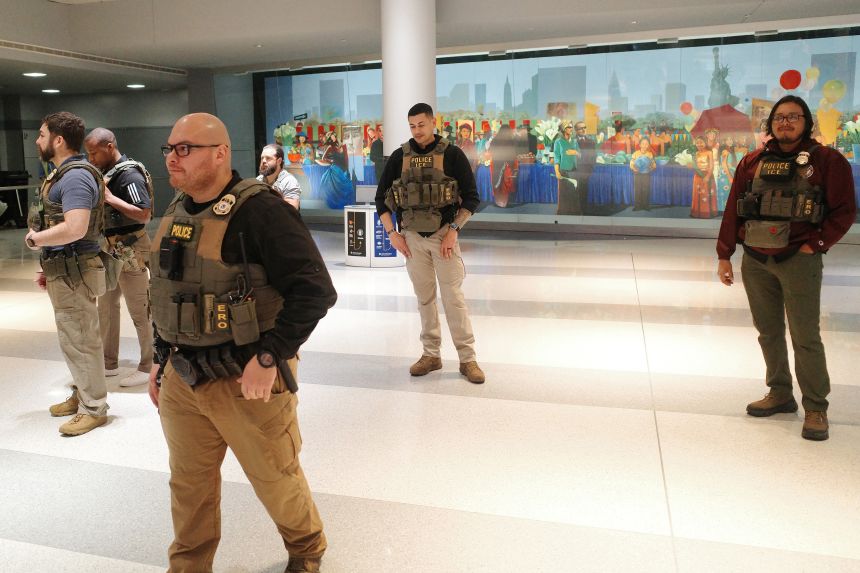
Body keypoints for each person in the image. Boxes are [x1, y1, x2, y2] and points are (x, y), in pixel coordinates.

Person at [149, 113, 337, 571]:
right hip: (182, 377)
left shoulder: (261, 211)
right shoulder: (177, 209)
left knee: (275, 477)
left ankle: (306, 547)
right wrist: (160, 359)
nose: (174, 158)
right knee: (188, 486)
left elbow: (315, 290)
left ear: (220, 153)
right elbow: (167, 291)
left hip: (246, 380)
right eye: (170, 149)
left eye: (185, 148)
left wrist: (270, 355)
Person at [716, 95, 856, 441]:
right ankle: (780, 393)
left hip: (799, 259)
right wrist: (724, 253)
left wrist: (817, 244)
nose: (786, 123)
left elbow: (844, 210)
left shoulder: (826, 160)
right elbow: (735, 208)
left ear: (806, 122)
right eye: (779, 118)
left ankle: (816, 408)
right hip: (756, 259)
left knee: (805, 336)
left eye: (794, 117)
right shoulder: (752, 161)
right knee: (768, 332)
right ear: (771, 124)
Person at [375, 102, 485, 384]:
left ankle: (467, 359)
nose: (417, 131)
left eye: (421, 125)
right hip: (412, 239)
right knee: (424, 300)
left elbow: (472, 198)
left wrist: (454, 230)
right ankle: (431, 354)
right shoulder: (400, 156)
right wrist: (392, 234)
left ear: (433, 123)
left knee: (453, 299)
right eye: (412, 126)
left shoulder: (452, 154)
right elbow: (381, 199)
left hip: (442, 237)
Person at [25, 111, 109, 436]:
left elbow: (76, 227)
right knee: (74, 339)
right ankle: (83, 395)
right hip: (66, 268)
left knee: (81, 339)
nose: (37, 140)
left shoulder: (73, 177)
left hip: (75, 271)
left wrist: (37, 240)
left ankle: (94, 408)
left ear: (59, 140)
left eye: (42, 134)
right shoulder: (62, 174)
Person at [83, 127, 154, 387]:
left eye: (94, 152)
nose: (91, 158)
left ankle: (148, 364)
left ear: (109, 146)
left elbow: (144, 213)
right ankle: (109, 362)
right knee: (107, 308)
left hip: (131, 248)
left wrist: (111, 198)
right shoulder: (106, 173)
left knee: (140, 310)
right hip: (110, 249)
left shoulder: (128, 175)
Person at [257, 143, 302, 210]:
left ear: (279, 161)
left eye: (268, 158)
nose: (263, 161)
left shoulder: (289, 181)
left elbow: (291, 212)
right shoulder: (258, 180)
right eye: (262, 158)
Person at [316, 130, 354, 209]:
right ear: (330, 139)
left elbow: (346, 159)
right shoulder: (330, 147)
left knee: (347, 187)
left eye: (333, 135)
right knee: (334, 188)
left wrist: (348, 169)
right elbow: (323, 158)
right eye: (331, 136)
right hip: (335, 169)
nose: (333, 137)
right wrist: (331, 161)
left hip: (343, 169)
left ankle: (346, 205)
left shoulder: (344, 146)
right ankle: (335, 203)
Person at [553, 121, 581, 214]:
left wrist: (576, 153)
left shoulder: (574, 141)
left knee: (574, 194)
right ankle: (563, 214)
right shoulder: (558, 142)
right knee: (564, 195)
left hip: (574, 171)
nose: (571, 128)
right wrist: (557, 172)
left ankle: (574, 214)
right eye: (569, 127)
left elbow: (580, 155)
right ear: (563, 129)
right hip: (563, 171)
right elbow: (556, 158)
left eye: (571, 127)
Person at [690, 136, 717, 218]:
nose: (699, 144)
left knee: (706, 194)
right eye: (697, 143)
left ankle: (707, 213)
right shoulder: (695, 154)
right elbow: (695, 167)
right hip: (697, 176)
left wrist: (708, 176)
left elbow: (712, 166)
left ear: (705, 143)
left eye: (701, 142)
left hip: (707, 175)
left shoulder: (709, 152)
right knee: (698, 194)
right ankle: (697, 213)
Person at [573, 121, 596, 212]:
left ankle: (583, 210)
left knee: (584, 191)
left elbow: (593, 157)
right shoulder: (571, 141)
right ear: (576, 130)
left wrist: (590, 169)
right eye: (580, 128)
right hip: (574, 170)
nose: (583, 130)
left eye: (584, 127)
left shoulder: (591, 142)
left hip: (586, 171)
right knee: (574, 191)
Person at [630, 137, 656, 211]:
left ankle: (646, 206)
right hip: (637, 174)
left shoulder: (650, 154)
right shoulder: (635, 153)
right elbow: (631, 163)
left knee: (646, 189)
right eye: (643, 144)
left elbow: (654, 164)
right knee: (637, 189)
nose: (644, 145)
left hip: (646, 174)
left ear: (648, 145)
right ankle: (637, 206)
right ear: (640, 145)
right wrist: (634, 168)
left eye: (646, 144)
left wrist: (651, 168)